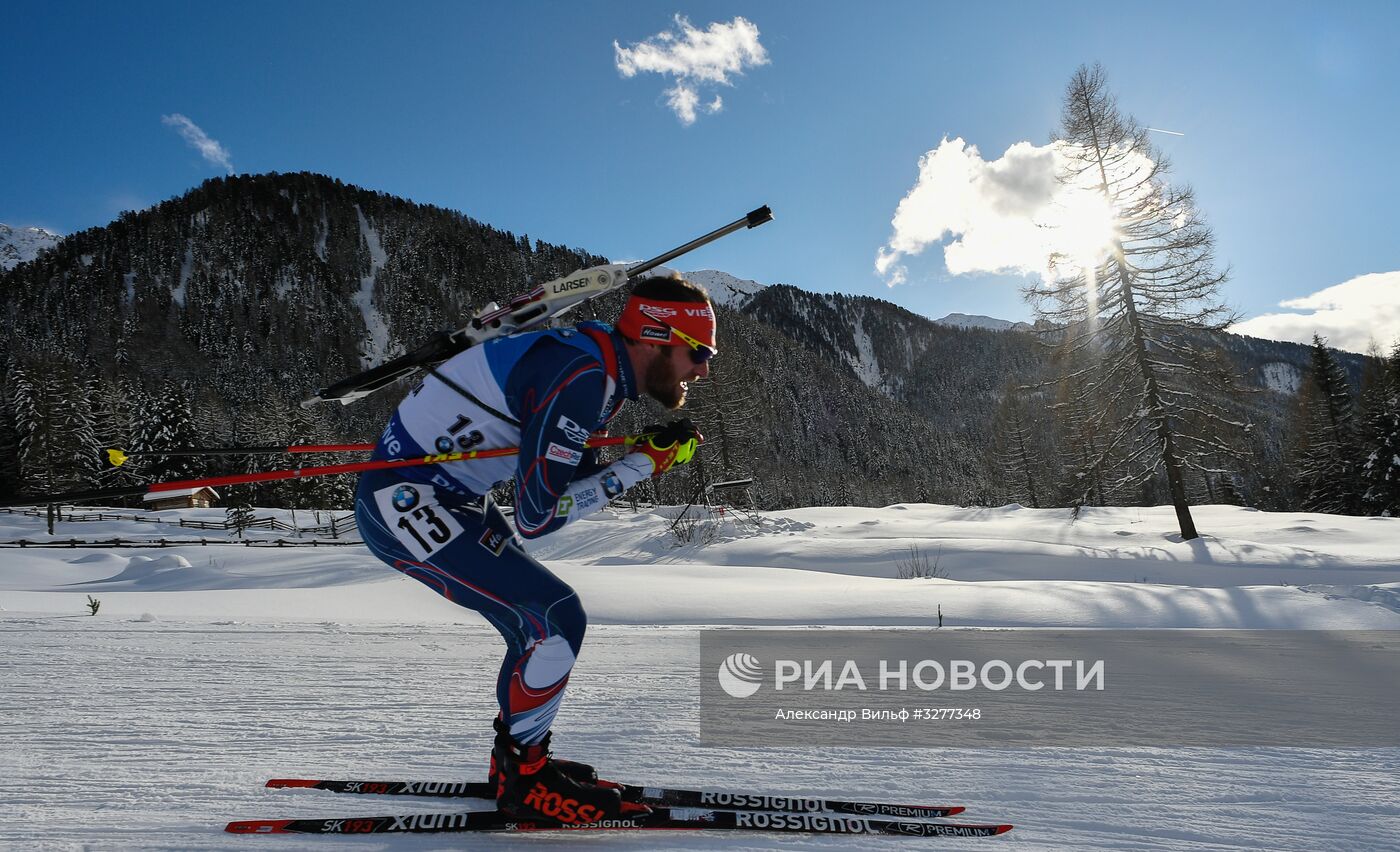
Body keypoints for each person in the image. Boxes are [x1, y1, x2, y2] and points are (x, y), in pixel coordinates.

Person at [354, 275, 713, 824]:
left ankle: (522, 761)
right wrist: (642, 466)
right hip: (406, 501)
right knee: (556, 617)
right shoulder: (583, 374)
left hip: (450, 497)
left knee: (535, 626)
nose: (702, 370)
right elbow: (537, 516)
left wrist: (635, 456)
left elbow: (557, 466)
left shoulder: (594, 364)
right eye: (697, 352)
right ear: (654, 336)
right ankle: (526, 782)